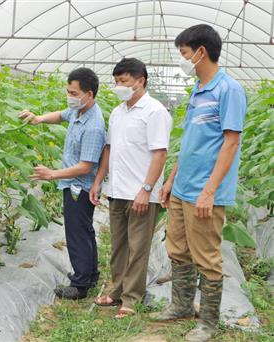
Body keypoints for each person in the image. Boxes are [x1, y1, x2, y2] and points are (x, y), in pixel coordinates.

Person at [150, 24, 247, 342]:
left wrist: (209, 191)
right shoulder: (197, 90)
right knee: (177, 249)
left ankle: (207, 322)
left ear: (200, 52)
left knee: (206, 256)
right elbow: (192, 141)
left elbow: (230, 144)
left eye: (184, 53)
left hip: (205, 192)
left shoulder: (228, 89)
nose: (183, 59)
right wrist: (171, 180)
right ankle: (180, 305)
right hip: (182, 188)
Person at [89, 58, 172, 318]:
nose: (119, 86)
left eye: (123, 81)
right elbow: (109, 149)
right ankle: (116, 290)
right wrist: (99, 181)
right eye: (116, 82)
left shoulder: (155, 112)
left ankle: (132, 298)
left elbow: (160, 154)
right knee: (119, 245)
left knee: (138, 247)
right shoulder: (117, 112)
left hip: (141, 193)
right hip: (117, 190)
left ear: (140, 81)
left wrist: (147, 189)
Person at [19, 68, 105, 300]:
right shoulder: (79, 112)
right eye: (68, 91)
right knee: (84, 231)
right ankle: (90, 274)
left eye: (73, 92)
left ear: (88, 94)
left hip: (79, 185)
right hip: (73, 183)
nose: (69, 96)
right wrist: (38, 119)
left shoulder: (94, 126)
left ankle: (80, 285)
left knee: (77, 233)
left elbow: (86, 166)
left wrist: (52, 174)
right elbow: (60, 114)